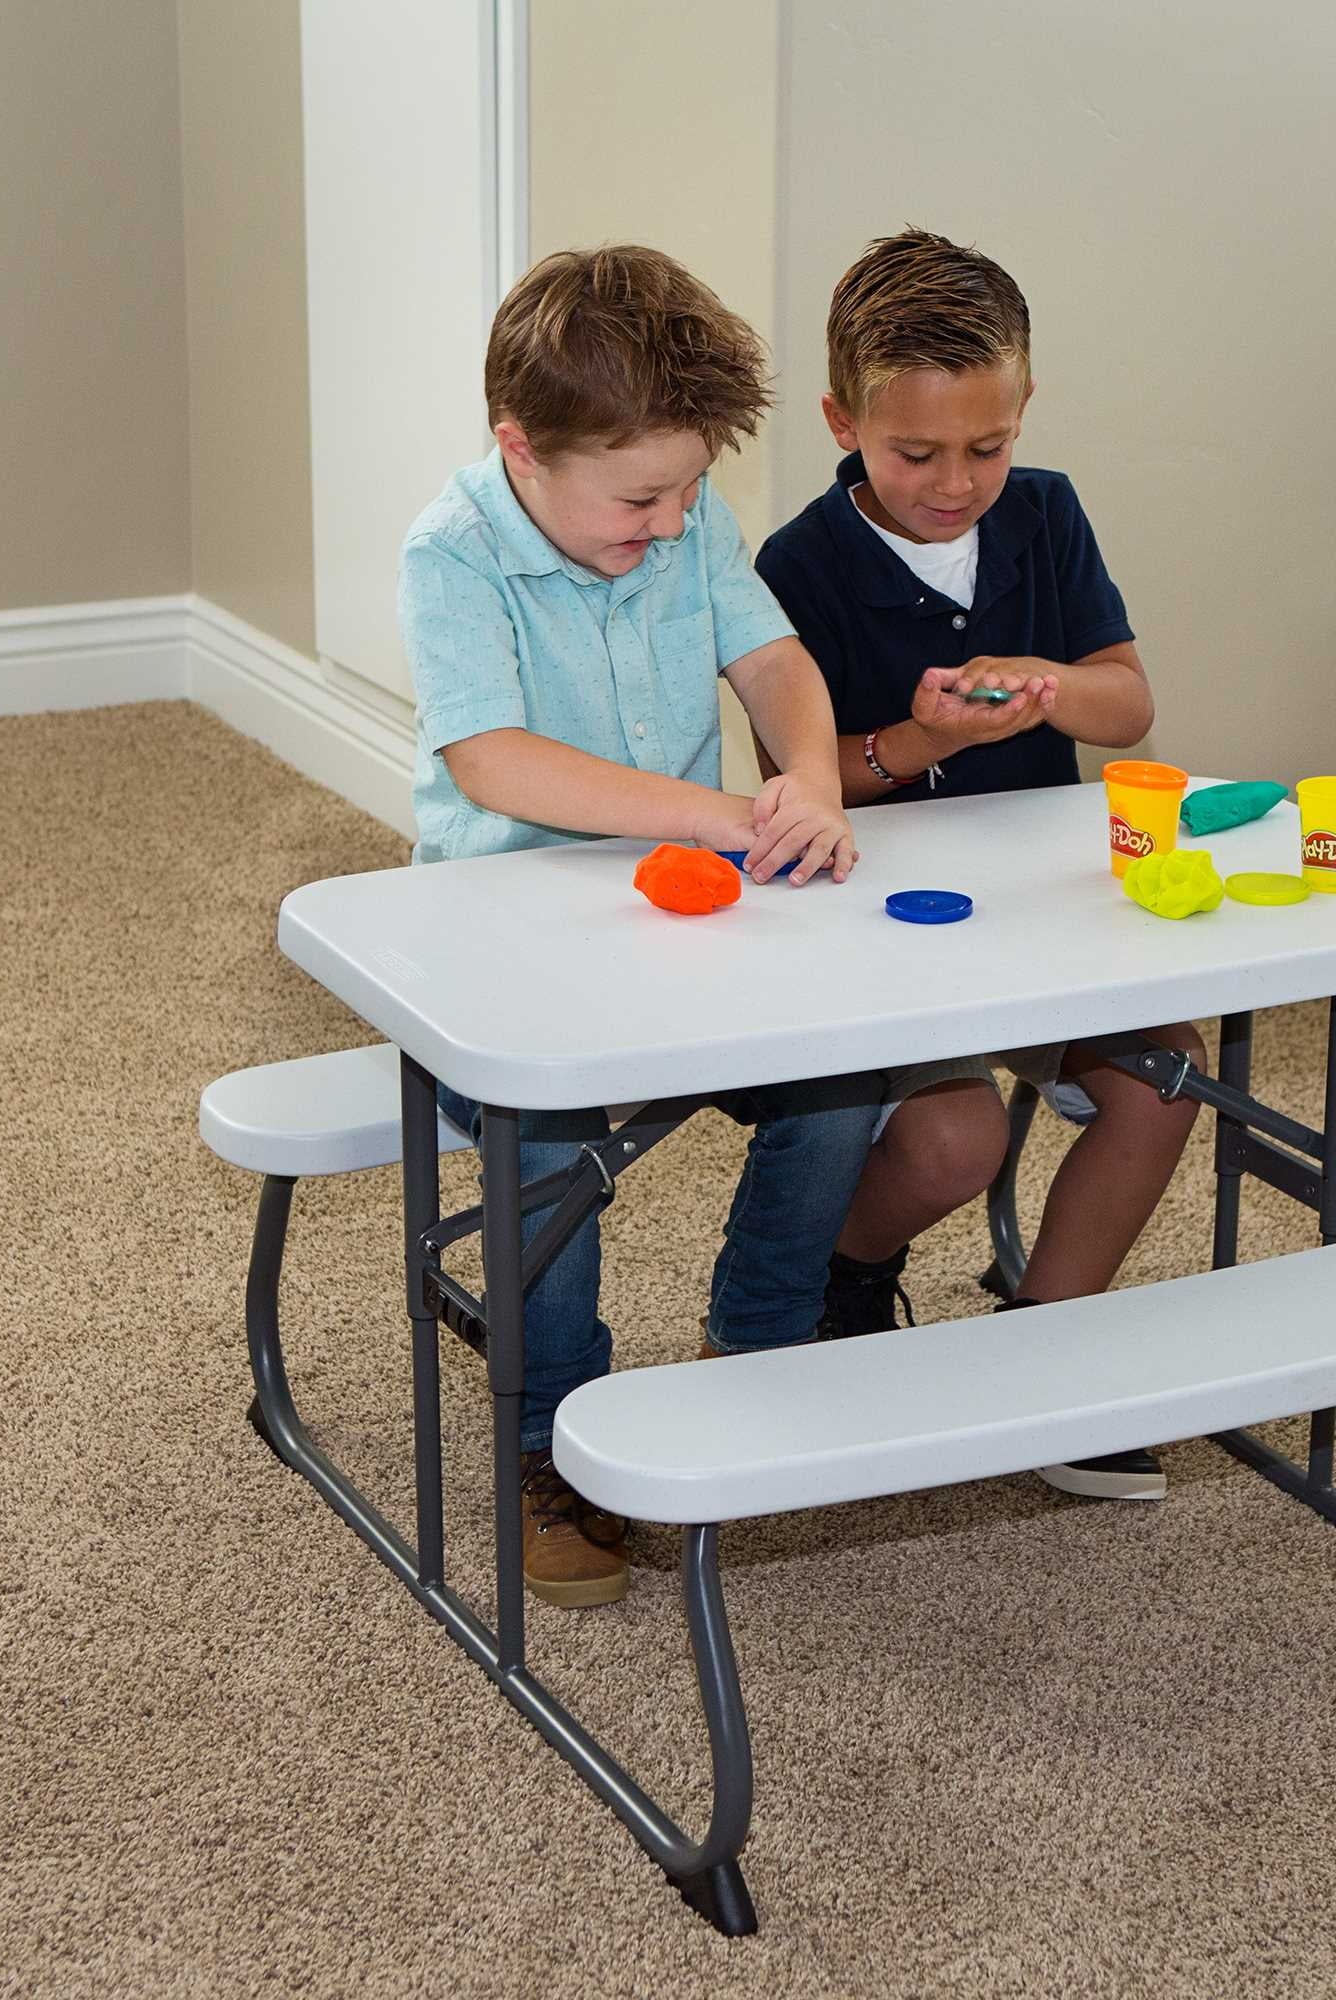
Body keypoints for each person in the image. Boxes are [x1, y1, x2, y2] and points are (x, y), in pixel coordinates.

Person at [398, 245, 881, 1607]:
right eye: (638, 498)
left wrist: (807, 782)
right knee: (552, 1139)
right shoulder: (453, 554)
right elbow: (494, 762)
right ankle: (554, 1437)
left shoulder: (684, 511)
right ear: (521, 449)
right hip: (498, 940)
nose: (671, 524)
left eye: (686, 490)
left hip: (686, 918)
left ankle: (759, 1349)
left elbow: (776, 663)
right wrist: (721, 815)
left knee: (845, 1068)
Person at [756, 228, 1204, 1503]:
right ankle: (840, 1265)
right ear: (843, 423)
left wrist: (1054, 683)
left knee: (1164, 1079)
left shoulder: (1045, 516)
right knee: (953, 1142)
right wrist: (918, 738)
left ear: (1022, 413)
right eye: (914, 454)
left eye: (986, 446)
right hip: (880, 922)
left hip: (1042, 906)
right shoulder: (799, 565)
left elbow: (1125, 706)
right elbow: (801, 780)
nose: (956, 482)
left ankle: (1043, 1346)